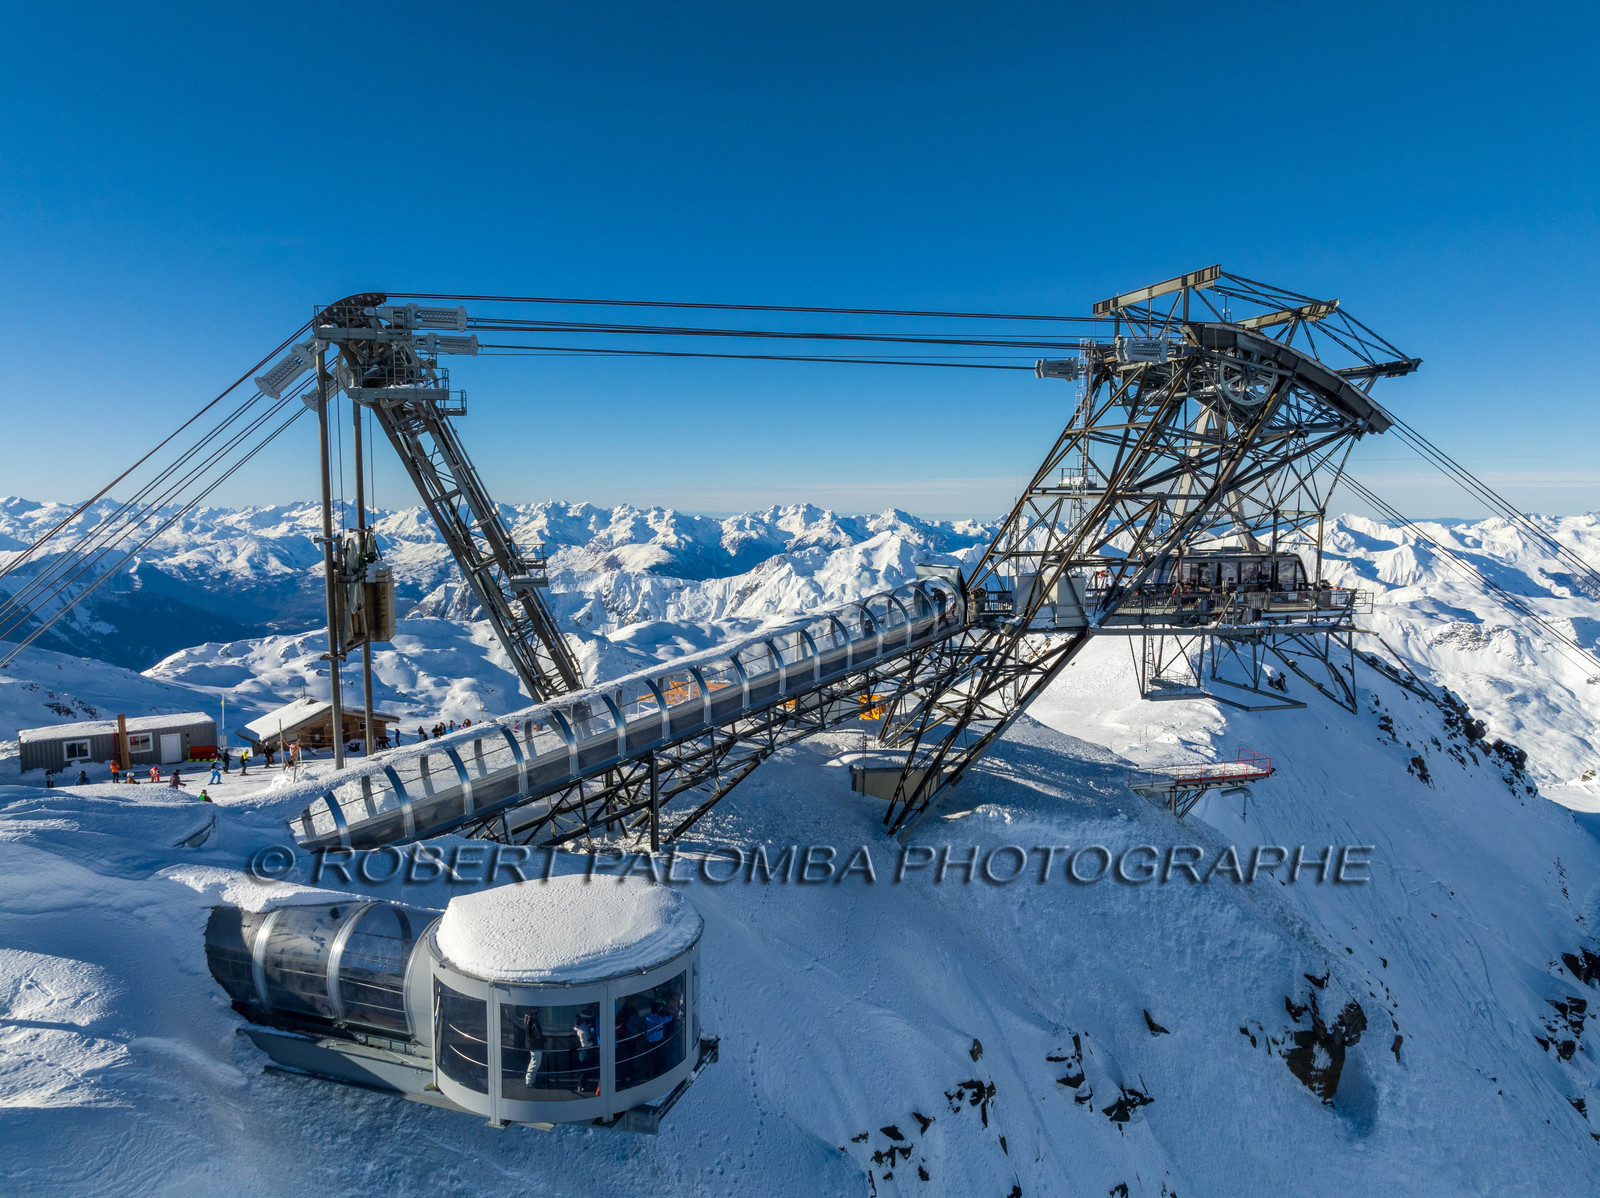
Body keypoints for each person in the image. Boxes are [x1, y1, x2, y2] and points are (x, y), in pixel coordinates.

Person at [522, 1010, 546, 1090]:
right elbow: (538, 1036)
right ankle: (530, 1082)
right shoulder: (534, 1023)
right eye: (537, 1013)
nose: (539, 1015)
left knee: (533, 1062)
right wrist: (543, 1042)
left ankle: (530, 1080)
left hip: (531, 1045)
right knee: (535, 1064)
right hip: (536, 1046)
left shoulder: (527, 1021)